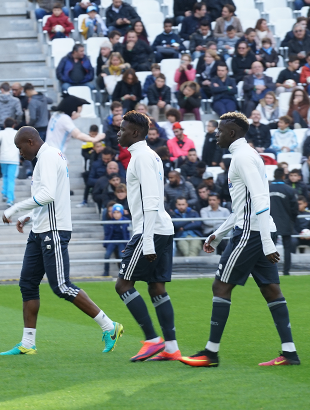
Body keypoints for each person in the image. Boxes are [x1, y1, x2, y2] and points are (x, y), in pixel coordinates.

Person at [179, 111, 300, 368]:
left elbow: (259, 198)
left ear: (232, 133)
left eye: (220, 130)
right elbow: (242, 207)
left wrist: (266, 242)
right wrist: (219, 233)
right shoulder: (246, 155)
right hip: (257, 228)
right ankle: (289, 352)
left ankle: (210, 353)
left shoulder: (243, 157)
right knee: (271, 289)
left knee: (221, 286)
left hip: (251, 233)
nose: (216, 133)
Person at [0, 127, 123, 356]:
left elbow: (48, 195)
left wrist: (14, 209)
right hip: (41, 229)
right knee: (27, 284)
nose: (20, 153)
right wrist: (28, 217)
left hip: (53, 231)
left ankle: (110, 326)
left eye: (20, 148)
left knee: (62, 286)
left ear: (30, 141)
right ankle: (28, 343)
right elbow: (49, 198)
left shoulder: (47, 157)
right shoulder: (51, 156)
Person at [109, 111, 181, 361]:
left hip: (149, 231)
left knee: (123, 284)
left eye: (123, 129)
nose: (119, 133)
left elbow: (151, 199)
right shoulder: (147, 156)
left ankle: (152, 339)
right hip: (160, 228)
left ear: (136, 133)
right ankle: (171, 347)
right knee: (156, 287)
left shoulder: (141, 158)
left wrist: (147, 239)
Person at [268, 168, 298, 276]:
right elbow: (295, 208)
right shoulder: (289, 190)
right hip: (286, 222)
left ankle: (270, 271)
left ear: (274, 175)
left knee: (269, 248)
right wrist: (292, 220)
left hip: (269, 223)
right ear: (283, 176)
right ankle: (286, 271)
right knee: (287, 248)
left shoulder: (267, 188)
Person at [0, 118, 20, 206]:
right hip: (13, 159)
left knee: (5, 176)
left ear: (4, 125)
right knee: (11, 179)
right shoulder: (17, 133)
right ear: (13, 125)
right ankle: (10, 199)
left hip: (3, 158)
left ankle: (4, 193)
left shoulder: (1, 132)